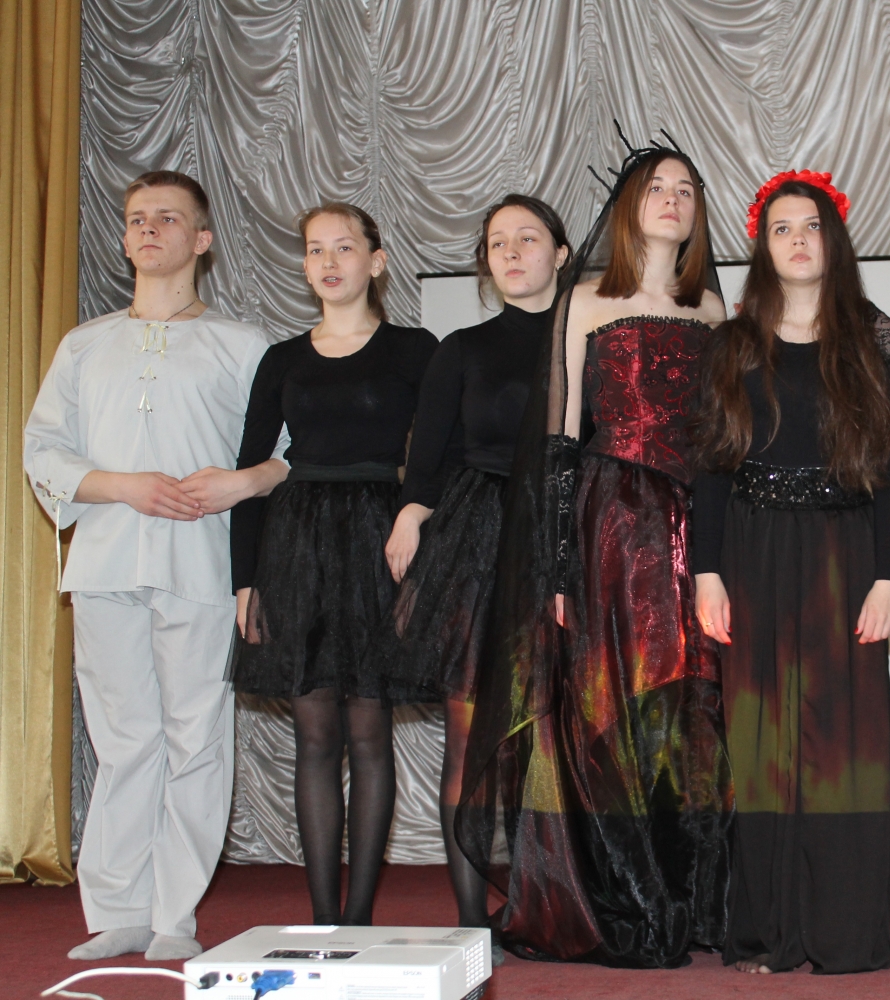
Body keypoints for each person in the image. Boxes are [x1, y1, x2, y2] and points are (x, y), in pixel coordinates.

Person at [457, 135, 733, 968]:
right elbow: (558, 439)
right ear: (627, 207)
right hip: (610, 521)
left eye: (686, 188)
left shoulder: (714, 310)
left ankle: (689, 899)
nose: (673, 199)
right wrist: (556, 566)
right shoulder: (583, 300)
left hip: (697, 526)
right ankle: (625, 898)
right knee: (610, 706)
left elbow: (726, 439)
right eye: (657, 187)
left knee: (690, 714)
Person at [25, 171, 286, 961]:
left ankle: (176, 913)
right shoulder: (84, 344)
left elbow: (287, 453)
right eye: (138, 218)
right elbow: (43, 450)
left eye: (168, 218)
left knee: (195, 735)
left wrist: (241, 482)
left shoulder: (243, 346)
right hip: (105, 563)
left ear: (201, 240)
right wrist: (122, 486)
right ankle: (119, 911)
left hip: (201, 564)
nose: (149, 229)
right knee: (122, 737)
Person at [693, 172, 890, 974]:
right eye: (782, 228)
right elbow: (711, 469)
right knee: (761, 744)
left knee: (840, 744)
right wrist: (706, 573)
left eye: (811, 226)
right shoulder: (732, 343)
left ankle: (840, 932)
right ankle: (768, 932)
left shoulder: (868, 335)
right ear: (763, 247)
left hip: (846, 557)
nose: (798, 240)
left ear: (834, 241)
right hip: (753, 555)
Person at [364, 194, 569, 941]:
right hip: (479, 542)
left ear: (562, 253)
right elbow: (430, 458)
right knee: (470, 733)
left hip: (569, 533)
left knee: (557, 738)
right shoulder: (461, 348)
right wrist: (411, 514)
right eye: (497, 242)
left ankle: (551, 909)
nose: (510, 252)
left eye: (527, 238)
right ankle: (468, 923)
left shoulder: (595, 339)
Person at [231, 204, 438, 925]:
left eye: (344, 247)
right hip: (296, 545)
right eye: (315, 249)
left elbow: (438, 456)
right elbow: (251, 470)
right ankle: (323, 922)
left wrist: (418, 534)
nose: (328, 261)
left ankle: (359, 923)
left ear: (375, 261)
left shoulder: (414, 350)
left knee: (369, 733)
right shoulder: (282, 359)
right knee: (314, 736)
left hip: (383, 543)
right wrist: (245, 581)